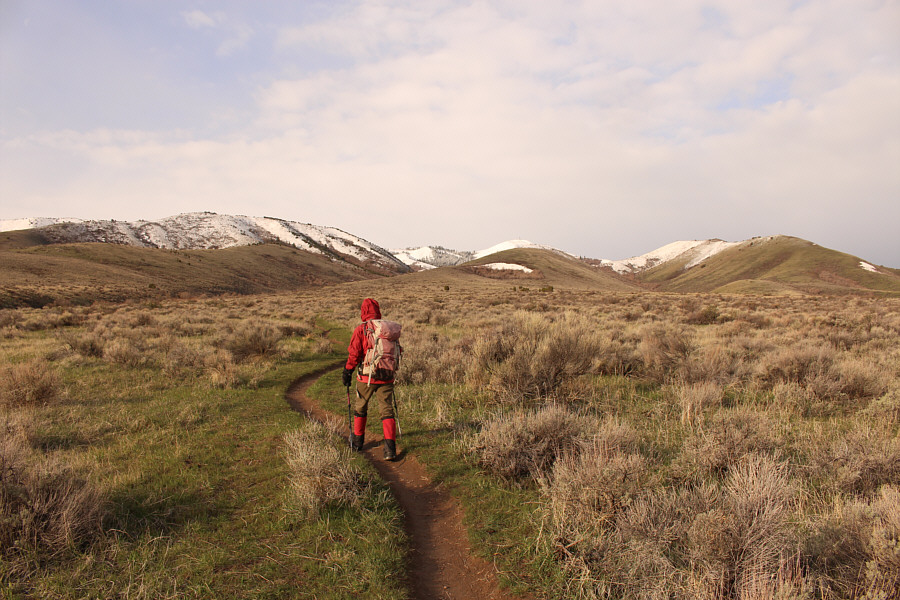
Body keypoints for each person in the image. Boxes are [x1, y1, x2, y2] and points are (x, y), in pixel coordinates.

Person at [342, 298, 399, 461]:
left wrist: (348, 371)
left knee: (360, 407)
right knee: (387, 410)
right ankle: (390, 450)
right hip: (387, 375)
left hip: (367, 376)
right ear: (378, 310)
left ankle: (357, 443)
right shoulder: (387, 329)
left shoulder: (363, 329)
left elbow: (354, 353)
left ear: (363, 312)